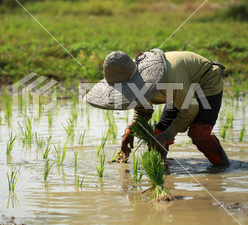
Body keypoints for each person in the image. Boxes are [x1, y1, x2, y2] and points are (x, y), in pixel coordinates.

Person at [84, 49, 230, 167]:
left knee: (199, 133)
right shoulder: (140, 83)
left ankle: (222, 169)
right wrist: (131, 129)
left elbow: (190, 109)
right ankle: (161, 168)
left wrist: (166, 137)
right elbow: (143, 109)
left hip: (205, 81)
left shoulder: (167, 80)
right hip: (181, 88)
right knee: (158, 133)